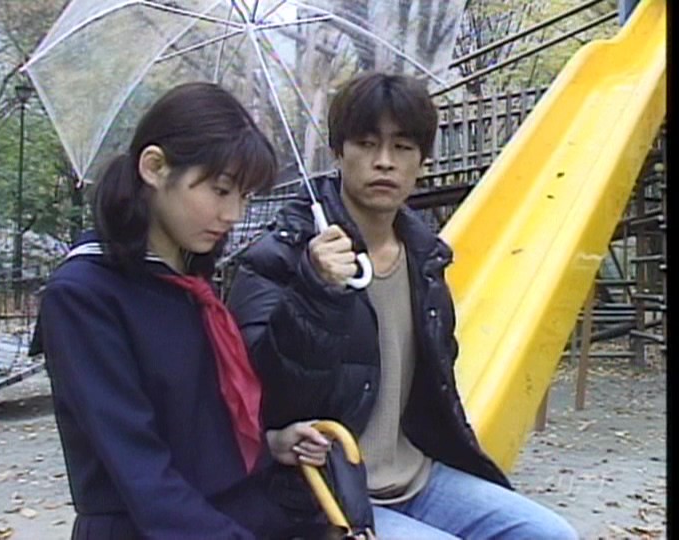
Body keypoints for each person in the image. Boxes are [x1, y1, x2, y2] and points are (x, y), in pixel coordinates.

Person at [227, 72, 579, 539]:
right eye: (366, 144)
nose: (385, 162)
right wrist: (316, 291)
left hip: (418, 475)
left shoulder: (425, 258)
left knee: (550, 534)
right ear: (338, 153)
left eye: (403, 147)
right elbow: (263, 397)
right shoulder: (281, 256)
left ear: (422, 161)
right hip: (322, 491)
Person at [29, 82, 336, 539]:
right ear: (154, 167)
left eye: (244, 196)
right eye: (220, 190)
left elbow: (192, 427)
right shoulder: (84, 296)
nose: (233, 214)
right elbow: (142, 476)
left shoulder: (188, 282)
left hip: (234, 513)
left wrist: (271, 444)